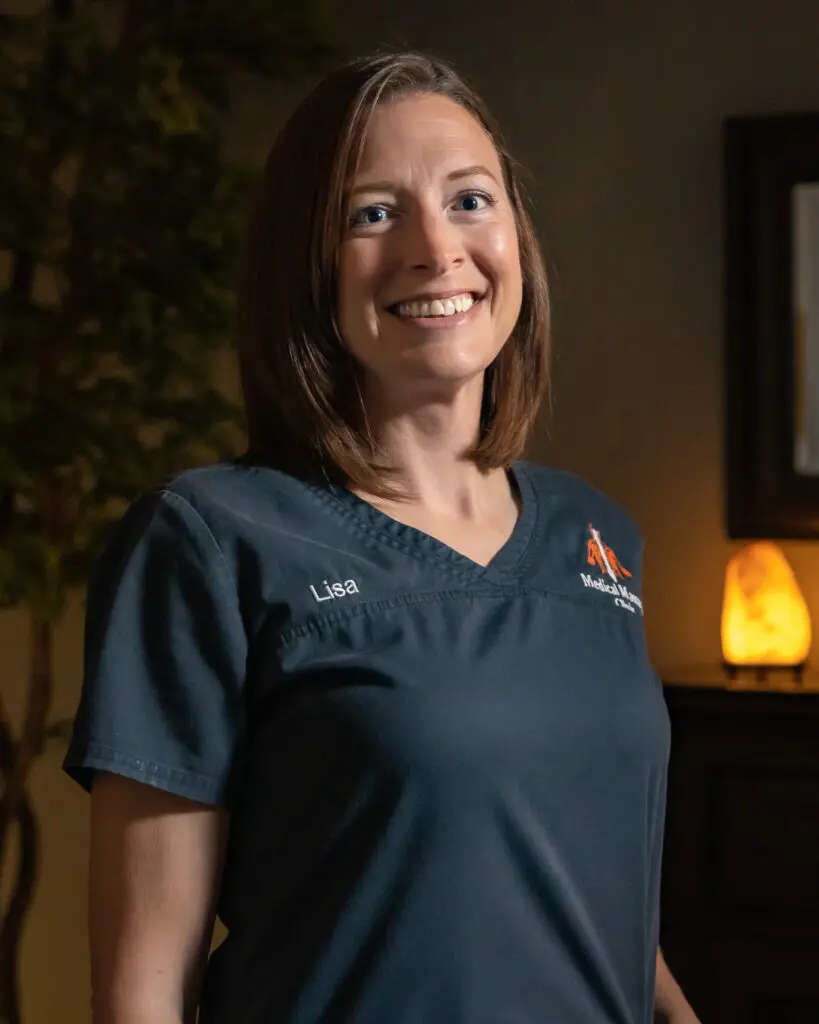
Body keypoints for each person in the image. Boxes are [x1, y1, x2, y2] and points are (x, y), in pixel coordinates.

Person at [64, 51, 700, 1024]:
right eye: (373, 212)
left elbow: (593, 905)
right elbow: (143, 989)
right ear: (305, 262)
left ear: (517, 238)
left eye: (470, 200)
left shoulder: (596, 536)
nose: (434, 247)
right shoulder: (208, 540)